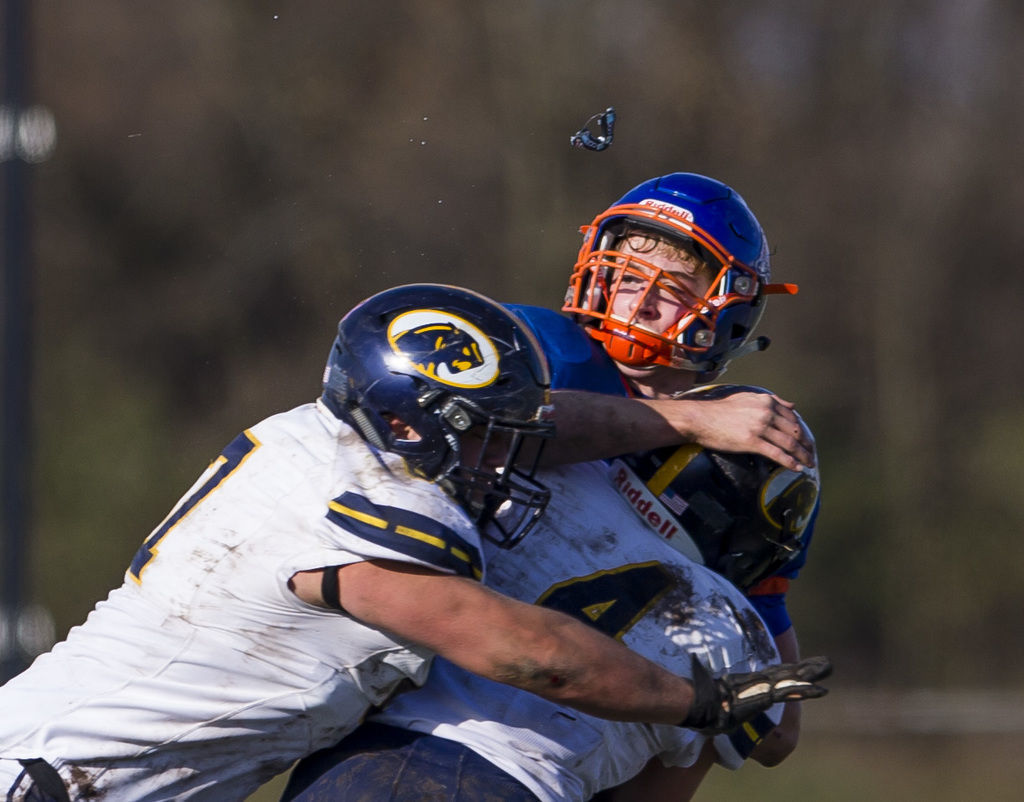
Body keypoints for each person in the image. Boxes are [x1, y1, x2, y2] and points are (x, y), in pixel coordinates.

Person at [0, 283, 829, 802]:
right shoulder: (372, 493)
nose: (513, 454)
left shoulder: (313, 435)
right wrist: (696, 701)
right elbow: (516, 647)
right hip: (56, 777)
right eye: (493, 430)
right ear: (413, 423)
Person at [279, 174, 826, 800]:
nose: (636, 299)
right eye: (622, 275)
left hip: (420, 743)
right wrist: (691, 420)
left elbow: (777, 714)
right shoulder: (545, 349)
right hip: (397, 711)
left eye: (669, 287)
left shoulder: (753, 462)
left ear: (727, 309)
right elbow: (480, 426)